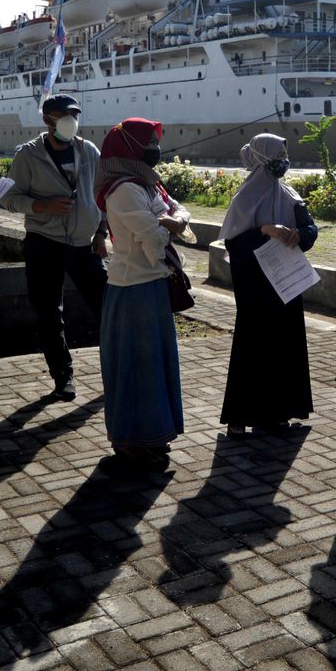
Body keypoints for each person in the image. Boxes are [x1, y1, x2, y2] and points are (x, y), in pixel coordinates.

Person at [94, 119, 195, 468]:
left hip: (151, 286)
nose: (155, 147)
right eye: (149, 141)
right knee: (135, 368)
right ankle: (130, 442)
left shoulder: (148, 184)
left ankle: (152, 434)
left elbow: (180, 213)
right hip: (132, 287)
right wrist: (170, 223)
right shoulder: (123, 189)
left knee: (154, 365)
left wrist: (174, 220)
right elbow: (153, 239)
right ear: (130, 147)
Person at [0, 94, 108, 401]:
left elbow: (101, 196)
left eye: (74, 115)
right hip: (43, 243)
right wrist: (40, 205)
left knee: (108, 305)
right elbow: (9, 197)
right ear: (48, 120)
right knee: (48, 312)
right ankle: (63, 376)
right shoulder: (28, 155)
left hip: (84, 244)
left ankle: (116, 367)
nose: (71, 121)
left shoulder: (88, 150)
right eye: (64, 116)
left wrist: (101, 232)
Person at [219, 134, 318, 438]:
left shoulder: (289, 193)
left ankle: (279, 412)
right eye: (279, 154)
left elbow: (311, 229)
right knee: (252, 347)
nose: (284, 160)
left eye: (286, 154)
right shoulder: (245, 198)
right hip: (255, 288)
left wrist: (299, 235)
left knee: (284, 346)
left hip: (285, 284)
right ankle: (240, 415)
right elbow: (234, 244)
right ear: (263, 158)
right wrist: (264, 229)